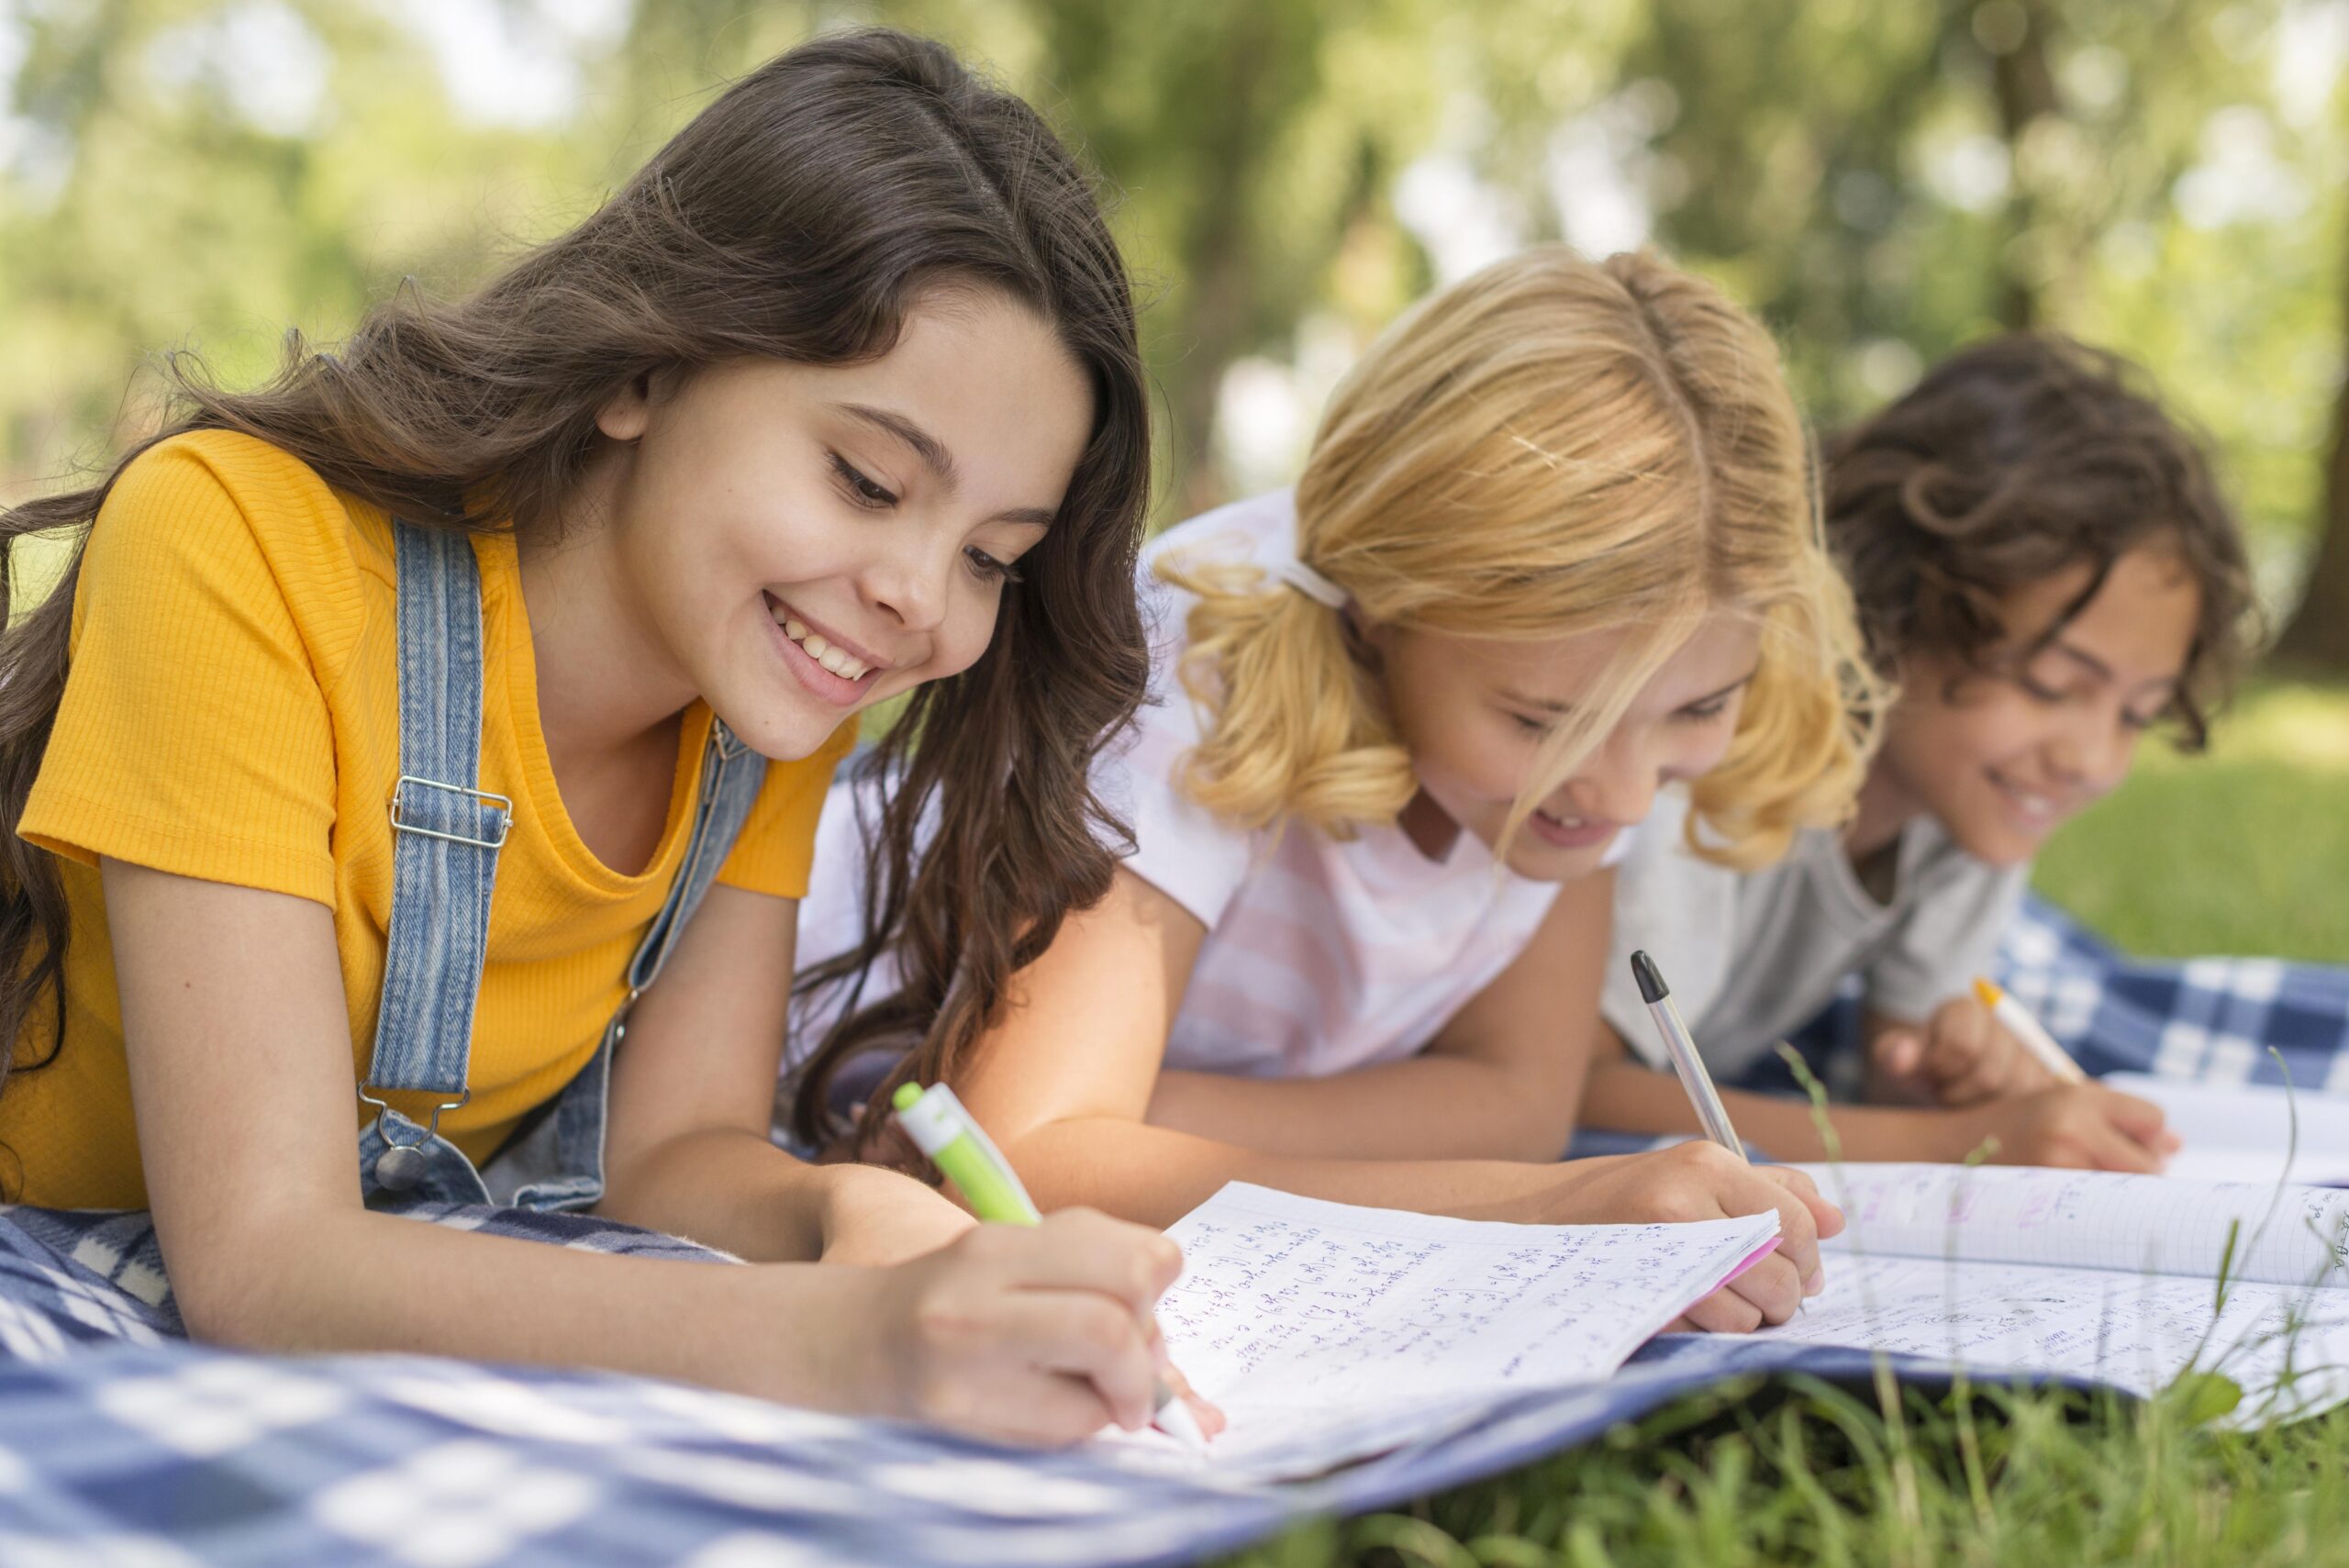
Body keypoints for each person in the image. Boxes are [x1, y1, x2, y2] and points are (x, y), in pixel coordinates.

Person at [0, 29, 1213, 1448]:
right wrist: (835, 1338)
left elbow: (671, 1158)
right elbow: (265, 1265)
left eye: (994, 557)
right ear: (644, 368)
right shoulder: (238, 538)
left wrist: (843, 1209)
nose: (916, 600)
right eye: (867, 478)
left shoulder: (774, 694)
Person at [794, 246, 1866, 1332]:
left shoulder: (1579, 714)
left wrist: (1135, 1119)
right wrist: (1551, 1206)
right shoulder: (1196, 665)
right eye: (1543, 723)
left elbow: (1519, 1099)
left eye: (1696, 709)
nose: (1627, 795)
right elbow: (1026, 1167)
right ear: (1378, 602)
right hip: (779, 1046)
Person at [1586, 334, 2257, 1170]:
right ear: (1899, 605)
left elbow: (1901, 1063)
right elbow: (1580, 1090)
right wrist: (1948, 1140)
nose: (2090, 758)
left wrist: (1958, 1079)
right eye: (2051, 684)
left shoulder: (1977, 800)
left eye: (2137, 713)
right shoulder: (1724, 754)